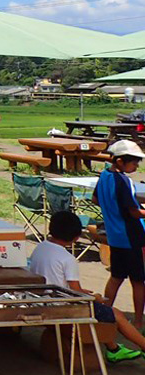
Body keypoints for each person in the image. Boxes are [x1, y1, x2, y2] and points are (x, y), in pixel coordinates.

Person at [29, 211, 145, 363]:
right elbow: (76, 293)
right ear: (76, 237)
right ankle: (141, 346)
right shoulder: (67, 258)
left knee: (104, 312)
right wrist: (95, 298)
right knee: (116, 315)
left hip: (43, 299)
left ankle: (114, 348)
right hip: (62, 306)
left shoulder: (41, 247)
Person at [92, 140, 145, 327]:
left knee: (116, 277)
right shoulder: (122, 180)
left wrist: (112, 210)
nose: (136, 165)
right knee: (138, 280)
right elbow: (133, 212)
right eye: (134, 162)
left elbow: (95, 198)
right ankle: (139, 321)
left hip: (114, 236)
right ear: (121, 161)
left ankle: (105, 314)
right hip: (131, 237)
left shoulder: (104, 175)